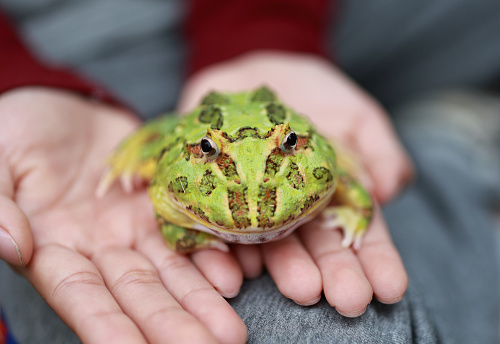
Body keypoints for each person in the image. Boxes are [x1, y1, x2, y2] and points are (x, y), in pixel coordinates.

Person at [0, 1, 498, 343]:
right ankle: (446, 140)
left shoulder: (311, 149)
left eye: (292, 149)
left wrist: (263, 33)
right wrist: (14, 80)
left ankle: (447, 140)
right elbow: (165, 197)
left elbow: (351, 187)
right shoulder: (175, 160)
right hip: (72, 49)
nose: (255, 196)